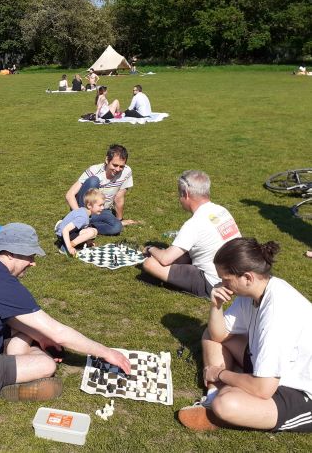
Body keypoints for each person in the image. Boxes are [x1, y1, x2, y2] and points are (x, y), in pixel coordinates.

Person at [0, 223, 131, 401]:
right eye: (29, 256)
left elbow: (17, 319)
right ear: (11, 254)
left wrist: (41, 337)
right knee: (46, 365)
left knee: (29, 335)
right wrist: (106, 352)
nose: (33, 262)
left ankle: (14, 364)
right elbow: (57, 331)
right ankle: (8, 389)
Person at [178, 237, 312, 432]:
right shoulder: (255, 291)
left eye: (225, 279)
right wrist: (216, 306)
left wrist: (221, 374)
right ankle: (214, 397)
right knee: (210, 334)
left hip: (301, 389)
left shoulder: (277, 312)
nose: (221, 284)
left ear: (247, 278)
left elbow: (263, 389)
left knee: (227, 405)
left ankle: (223, 403)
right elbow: (218, 336)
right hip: (274, 371)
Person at [142, 170, 241, 298]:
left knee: (150, 263)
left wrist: (151, 248)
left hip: (214, 282)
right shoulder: (221, 210)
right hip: (236, 274)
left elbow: (165, 259)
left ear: (186, 194)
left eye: (180, 194)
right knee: (182, 256)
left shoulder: (194, 223)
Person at [65, 144, 136, 236]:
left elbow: (119, 198)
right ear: (107, 160)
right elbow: (69, 195)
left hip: (103, 210)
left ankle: (86, 227)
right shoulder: (94, 170)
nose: (118, 169)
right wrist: (80, 215)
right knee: (93, 180)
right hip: (83, 209)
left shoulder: (126, 172)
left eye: (121, 166)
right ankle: (80, 221)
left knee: (117, 227)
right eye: (115, 165)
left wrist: (119, 220)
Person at [55, 188, 104, 256]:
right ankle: (65, 247)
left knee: (94, 231)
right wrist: (69, 247)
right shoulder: (82, 218)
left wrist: (88, 241)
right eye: (100, 205)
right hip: (63, 234)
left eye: (103, 205)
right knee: (91, 232)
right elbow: (65, 230)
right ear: (89, 205)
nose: (102, 208)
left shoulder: (84, 211)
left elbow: (82, 228)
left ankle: (71, 243)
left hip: (66, 232)